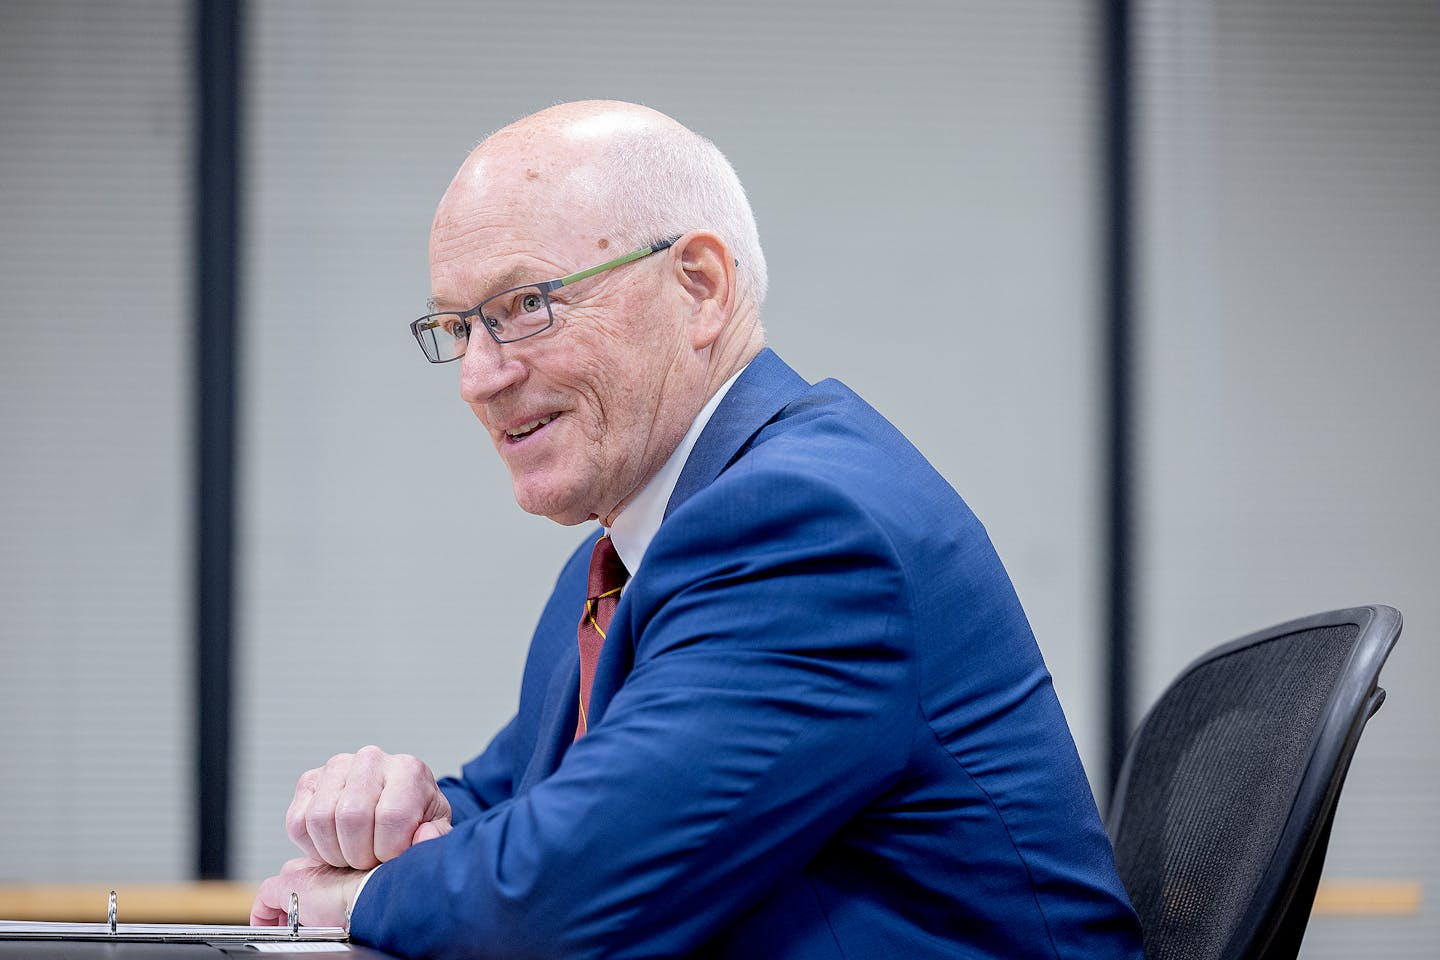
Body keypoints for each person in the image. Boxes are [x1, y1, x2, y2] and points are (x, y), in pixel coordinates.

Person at [252, 100, 1143, 959]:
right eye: (458, 327)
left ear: (702, 288)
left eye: (525, 305)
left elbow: (560, 897)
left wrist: (357, 899)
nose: (477, 377)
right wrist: (395, 813)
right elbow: (517, 809)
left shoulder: (805, 531)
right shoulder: (620, 561)